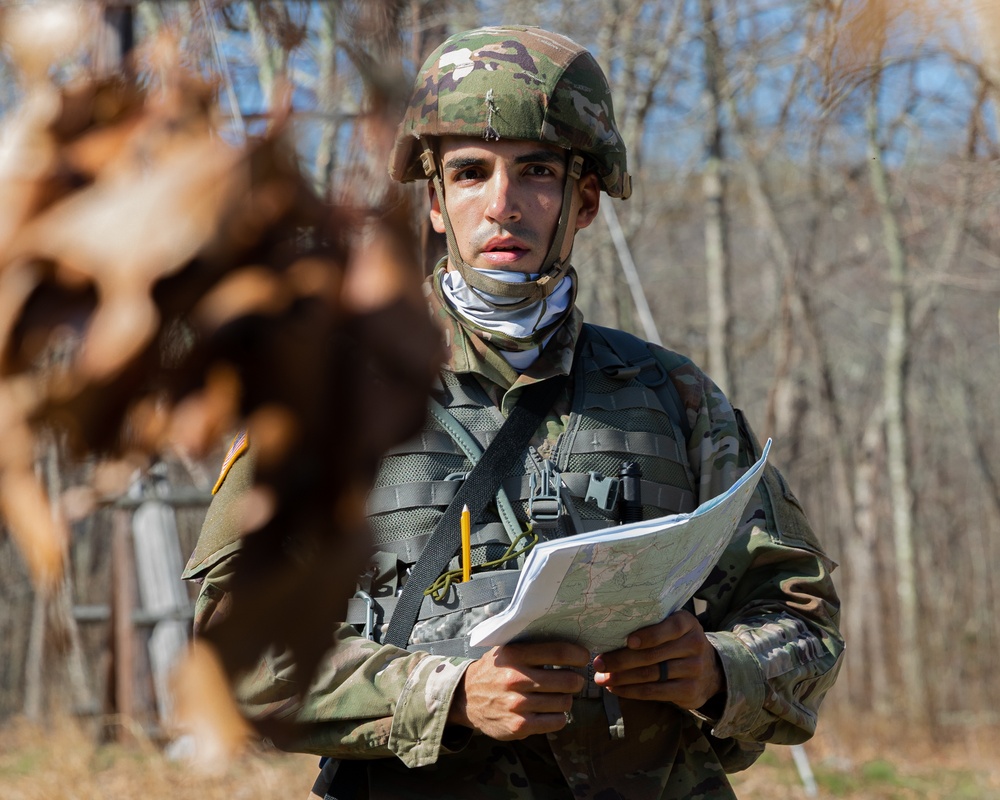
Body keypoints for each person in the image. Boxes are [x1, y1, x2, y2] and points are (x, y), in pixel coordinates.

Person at [183, 25, 844, 800]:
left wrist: (717, 671)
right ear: (434, 204)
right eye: (470, 173)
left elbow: (805, 624)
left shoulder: (675, 399)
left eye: (536, 173)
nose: (502, 205)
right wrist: (443, 695)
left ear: (584, 200)